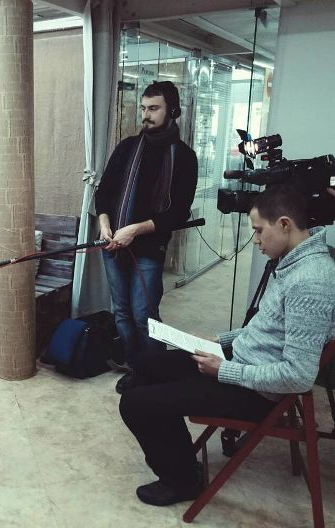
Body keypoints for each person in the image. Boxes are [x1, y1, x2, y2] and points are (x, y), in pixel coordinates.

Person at [118, 184, 335, 507]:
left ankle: (182, 481)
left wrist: (223, 370)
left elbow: (298, 376)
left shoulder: (311, 281)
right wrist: (220, 340)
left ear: (284, 224)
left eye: (259, 231)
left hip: (256, 390)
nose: (256, 241)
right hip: (243, 362)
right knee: (145, 364)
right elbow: (266, 330)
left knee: (135, 404)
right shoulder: (295, 261)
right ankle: (179, 459)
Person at [95, 81, 198, 393]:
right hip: (113, 244)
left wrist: (135, 230)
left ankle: (154, 372)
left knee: (144, 316)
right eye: (143, 108)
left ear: (173, 111)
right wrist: (104, 223)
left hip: (149, 249)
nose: (145, 115)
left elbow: (177, 214)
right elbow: (104, 192)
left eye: (153, 108)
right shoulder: (127, 147)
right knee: (122, 313)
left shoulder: (184, 157)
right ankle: (135, 367)